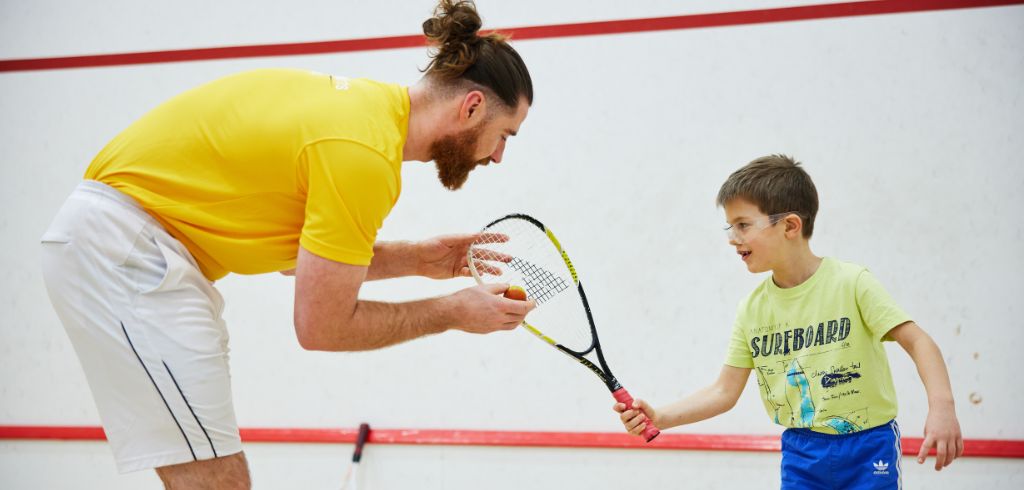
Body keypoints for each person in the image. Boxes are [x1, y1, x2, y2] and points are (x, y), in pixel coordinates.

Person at [39, 1, 534, 487]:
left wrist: (419, 260)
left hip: (129, 244)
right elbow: (321, 326)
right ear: (471, 107)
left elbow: (305, 265)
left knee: (213, 471)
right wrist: (452, 312)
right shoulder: (362, 154)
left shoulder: (363, 112)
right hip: (125, 251)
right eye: (503, 134)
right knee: (215, 477)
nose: (499, 156)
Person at [613, 155, 963, 488]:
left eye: (743, 225)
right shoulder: (752, 309)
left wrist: (942, 407)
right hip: (801, 453)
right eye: (730, 226)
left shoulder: (852, 283)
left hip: (869, 446)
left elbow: (918, 341)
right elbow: (723, 391)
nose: (732, 238)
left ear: (790, 225)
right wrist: (660, 416)